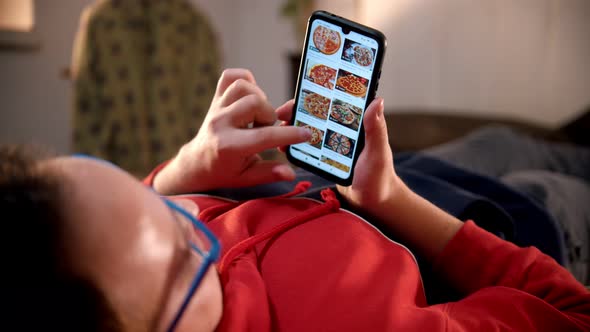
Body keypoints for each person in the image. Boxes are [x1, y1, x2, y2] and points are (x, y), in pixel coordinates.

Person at [2, 69, 589, 331]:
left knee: (506, 139)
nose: (196, 212)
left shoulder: (126, 259)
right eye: (184, 252)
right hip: (512, 221)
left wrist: (180, 172)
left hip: (401, 176)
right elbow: (571, 311)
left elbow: (139, 223)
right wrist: (392, 200)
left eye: (167, 206)